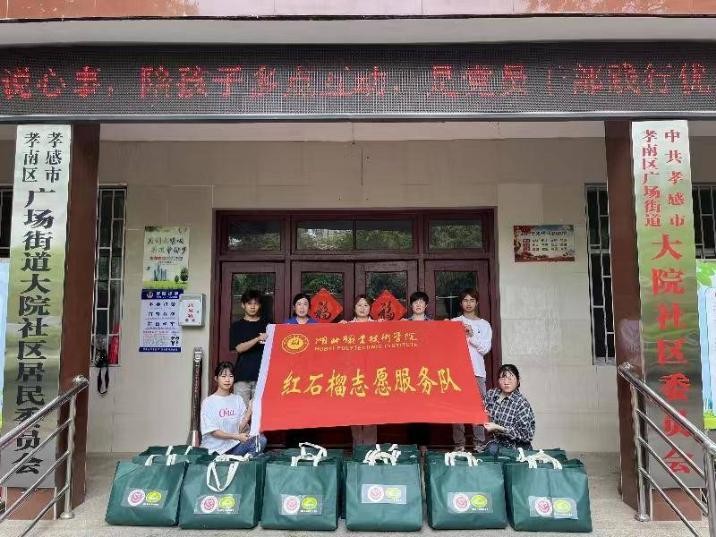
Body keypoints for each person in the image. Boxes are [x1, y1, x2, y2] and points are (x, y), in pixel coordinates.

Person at [451, 288, 492, 451]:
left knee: (478, 408)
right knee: (457, 409)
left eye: (472, 300)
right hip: (457, 372)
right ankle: (459, 444)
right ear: (461, 303)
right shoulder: (455, 322)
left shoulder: (484, 325)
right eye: (465, 300)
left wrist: (471, 335)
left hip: (477, 372)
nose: (468, 303)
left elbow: (485, 349)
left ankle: (479, 444)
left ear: (477, 303)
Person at [200, 361, 267, 456]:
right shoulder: (208, 402)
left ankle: (240, 461)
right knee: (258, 454)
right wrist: (236, 437)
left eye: (230, 376)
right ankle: (240, 461)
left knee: (261, 440)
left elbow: (239, 429)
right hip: (215, 451)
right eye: (223, 376)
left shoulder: (237, 399)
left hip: (234, 448)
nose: (227, 380)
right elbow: (214, 432)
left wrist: (249, 410)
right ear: (216, 379)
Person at [346, 295, 378, 448]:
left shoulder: (377, 326)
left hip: (373, 375)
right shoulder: (347, 326)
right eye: (359, 305)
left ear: (370, 308)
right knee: (355, 413)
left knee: (371, 413)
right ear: (354, 308)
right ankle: (358, 448)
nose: (362, 308)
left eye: (366, 305)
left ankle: (370, 449)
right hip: (354, 376)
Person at [230, 289, 269, 408]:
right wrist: (258, 339)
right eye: (249, 303)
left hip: (262, 376)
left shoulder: (267, 325)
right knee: (242, 412)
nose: (252, 306)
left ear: (260, 305)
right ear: (243, 305)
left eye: (256, 303)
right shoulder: (237, 326)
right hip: (243, 376)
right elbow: (239, 348)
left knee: (260, 412)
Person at [483, 364, 535, 453]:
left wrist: (500, 428)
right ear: (498, 380)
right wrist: (484, 416)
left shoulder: (522, 403)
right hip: (497, 444)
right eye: (503, 378)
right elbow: (482, 411)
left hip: (517, 447)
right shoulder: (491, 394)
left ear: (518, 381)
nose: (506, 382)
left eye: (510, 378)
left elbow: (526, 435)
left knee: (492, 449)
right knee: (490, 448)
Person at [404, 291, 431, 448]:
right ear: (411, 305)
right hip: (409, 372)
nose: (418, 304)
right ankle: (412, 446)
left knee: (426, 410)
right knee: (410, 410)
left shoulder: (433, 324)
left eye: (421, 302)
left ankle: (424, 446)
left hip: (426, 373)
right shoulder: (404, 324)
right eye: (415, 302)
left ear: (426, 305)